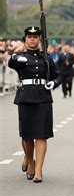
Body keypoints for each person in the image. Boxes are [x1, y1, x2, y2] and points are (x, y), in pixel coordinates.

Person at [8, 26, 62, 183]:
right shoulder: (20, 56)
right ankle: (29, 159)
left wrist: (53, 83)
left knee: (41, 135)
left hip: (43, 97)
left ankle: (38, 170)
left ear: (39, 39)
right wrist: (16, 58)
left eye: (35, 36)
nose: (32, 39)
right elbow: (12, 63)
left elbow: (58, 75)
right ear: (25, 39)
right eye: (29, 36)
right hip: (26, 97)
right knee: (26, 136)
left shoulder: (46, 58)